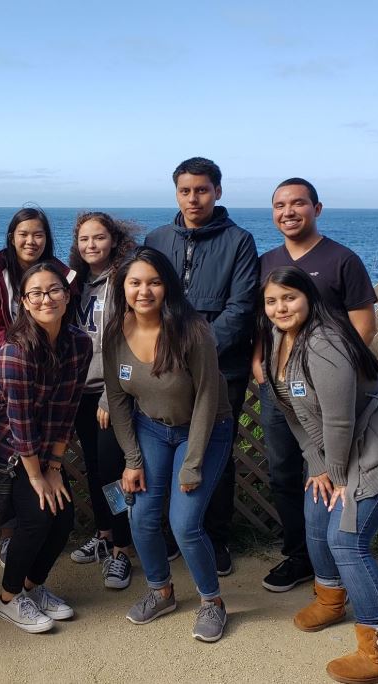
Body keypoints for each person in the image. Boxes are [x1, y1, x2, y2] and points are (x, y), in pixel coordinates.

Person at [259, 266, 378, 683]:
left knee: (346, 539)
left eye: (289, 298)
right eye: (271, 300)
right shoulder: (278, 339)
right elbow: (290, 410)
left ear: (309, 298)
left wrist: (336, 476)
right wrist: (318, 468)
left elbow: (337, 421)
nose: (280, 307)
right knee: (315, 511)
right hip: (341, 452)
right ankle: (331, 599)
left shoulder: (324, 342)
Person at [103, 247, 235, 642]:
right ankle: (162, 592)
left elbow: (209, 399)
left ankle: (212, 602)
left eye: (154, 282)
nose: (144, 291)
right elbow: (118, 399)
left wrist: (192, 464)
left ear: (168, 286)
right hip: (151, 430)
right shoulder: (114, 332)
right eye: (135, 282)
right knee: (140, 517)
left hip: (204, 430)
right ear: (122, 287)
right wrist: (132, 460)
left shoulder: (193, 331)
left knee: (184, 524)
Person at [253, 178, 378, 593]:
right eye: (279, 205)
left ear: (317, 208)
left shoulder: (342, 259)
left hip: (330, 395)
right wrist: (260, 365)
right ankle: (300, 556)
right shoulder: (267, 260)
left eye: (298, 203)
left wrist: (338, 371)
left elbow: (364, 322)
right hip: (280, 389)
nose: (288, 211)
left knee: (332, 469)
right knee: (285, 472)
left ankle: (338, 554)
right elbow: (265, 319)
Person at [144, 157, 259, 576]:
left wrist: (197, 352)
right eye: (185, 190)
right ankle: (174, 532)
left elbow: (241, 306)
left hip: (221, 367)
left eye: (202, 190)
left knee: (215, 453)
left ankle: (216, 536)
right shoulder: (156, 240)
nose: (194, 198)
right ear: (176, 192)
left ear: (218, 192)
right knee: (165, 447)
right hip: (164, 368)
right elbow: (144, 300)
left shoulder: (240, 241)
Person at [0, 263, 92, 633]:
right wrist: (37, 476)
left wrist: (55, 467)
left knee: (63, 517)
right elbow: (20, 420)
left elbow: (68, 407)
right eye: (36, 293)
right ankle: (9, 599)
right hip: (8, 448)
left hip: (46, 449)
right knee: (37, 516)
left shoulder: (79, 343)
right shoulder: (15, 350)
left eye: (54, 290)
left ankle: (31, 587)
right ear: (25, 303)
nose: (46, 299)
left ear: (67, 294)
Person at [65, 211, 139, 589]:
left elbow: (132, 340)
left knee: (113, 471)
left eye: (98, 238)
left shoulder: (124, 278)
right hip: (81, 389)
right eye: (83, 240)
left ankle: (123, 550)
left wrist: (113, 397)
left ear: (114, 239)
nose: (91, 245)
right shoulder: (75, 281)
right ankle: (104, 535)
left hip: (111, 393)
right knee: (94, 469)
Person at [0, 205, 76, 356]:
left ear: (46, 238)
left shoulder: (64, 277)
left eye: (38, 235)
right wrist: (4, 364)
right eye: (23, 234)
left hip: (54, 359)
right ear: (12, 239)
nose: (30, 241)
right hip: (11, 360)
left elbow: (69, 326)